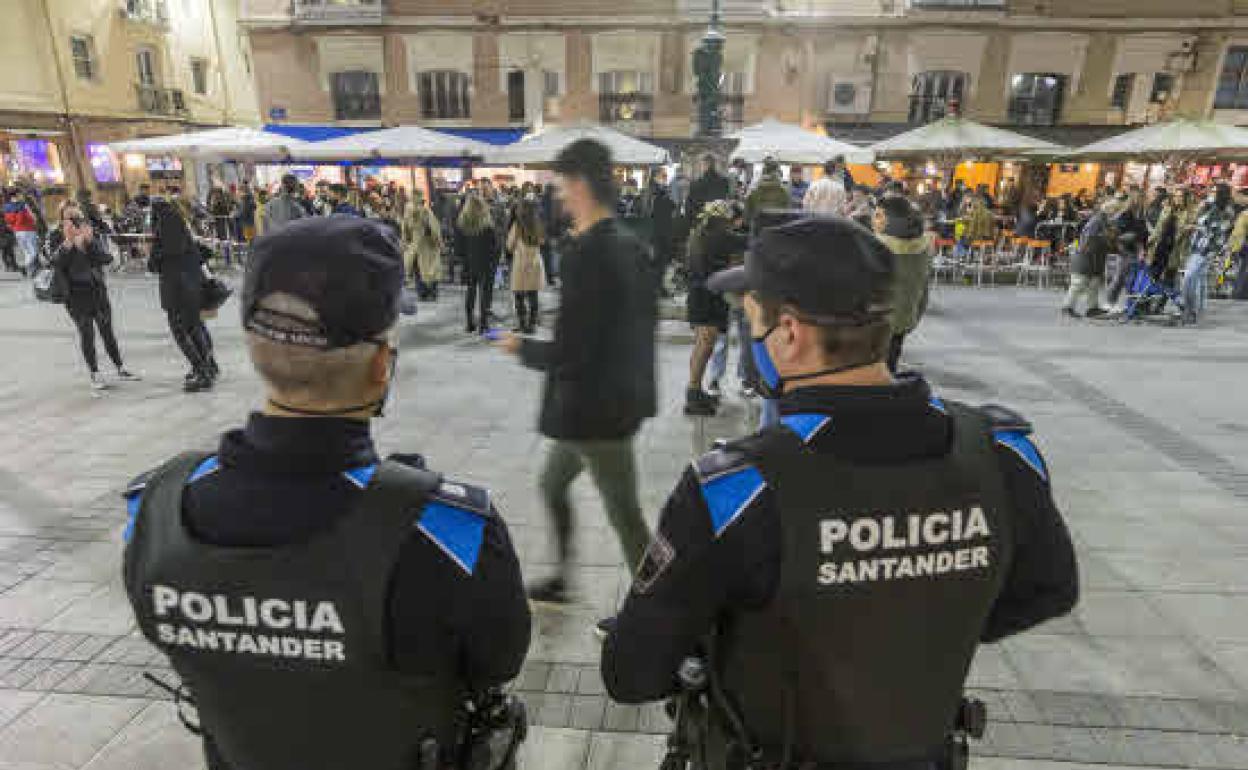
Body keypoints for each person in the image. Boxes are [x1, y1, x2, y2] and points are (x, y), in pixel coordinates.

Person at [601, 216, 1079, 770]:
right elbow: (1050, 588)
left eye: (751, 319)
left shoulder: (737, 490)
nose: (749, 336)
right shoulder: (1000, 452)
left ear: (790, 335)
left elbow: (632, 673)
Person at [122, 216, 530, 770]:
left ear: (253, 346)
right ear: (383, 364)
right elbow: (497, 661)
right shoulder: (449, 532)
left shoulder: (154, 509)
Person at [496, 139, 657, 608]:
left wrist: (520, 346)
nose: (560, 195)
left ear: (581, 184)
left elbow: (572, 349)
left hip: (596, 411)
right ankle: (563, 578)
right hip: (605, 402)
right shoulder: (628, 243)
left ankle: (661, 615)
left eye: (564, 185)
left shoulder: (588, 255)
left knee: (626, 516)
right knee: (551, 485)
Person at [50, 202, 139, 391]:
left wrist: (90, 242)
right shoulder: (56, 236)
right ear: (62, 219)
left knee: (107, 330)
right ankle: (95, 373)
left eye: (78, 217)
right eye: (70, 218)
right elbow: (55, 263)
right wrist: (68, 242)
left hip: (96, 290)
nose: (75, 222)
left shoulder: (88, 232)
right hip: (75, 295)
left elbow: (106, 259)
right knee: (87, 333)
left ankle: (120, 367)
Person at [685, 201, 748, 416]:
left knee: (702, 345)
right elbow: (750, 242)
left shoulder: (700, 233)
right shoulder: (720, 235)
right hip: (707, 297)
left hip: (698, 294)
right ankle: (692, 395)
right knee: (705, 345)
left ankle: (694, 390)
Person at [149, 198, 217, 392]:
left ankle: (201, 370)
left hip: (176, 290)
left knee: (180, 331)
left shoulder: (163, 235)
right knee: (196, 328)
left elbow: (153, 265)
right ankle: (209, 366)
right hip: (195, 286)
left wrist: (154, 251)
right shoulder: (184, 230)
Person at [874, 196, 931, 372]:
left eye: (878, 216)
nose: (873, 220)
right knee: (891, 363)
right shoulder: (923, 245)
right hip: (904, 319)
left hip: (876, 322)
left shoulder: (876, 246)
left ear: (891, 219)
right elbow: (924, 287)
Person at [1181, 182, 1236, 324]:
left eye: (1214, 190)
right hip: (1198, 245)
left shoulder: (1227, 210)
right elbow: (1199, 220)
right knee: (1199, 278)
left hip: (1207, 248)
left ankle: (1190, 309)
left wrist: (1196, 227)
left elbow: (1219, 230)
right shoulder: (1208, 204)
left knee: (1190, 277)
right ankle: (1197, 311)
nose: (1211, 192)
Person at [1062, 199, 1121, 319]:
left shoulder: (1104, 221)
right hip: (1087, 256)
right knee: (1079, 282)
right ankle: (1067, 307)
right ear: (1110, 210)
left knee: (1094, 283)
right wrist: (1107, 240)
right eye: (1116, 211)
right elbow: (1089, 239)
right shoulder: (1097, 220)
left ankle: (1092, 308)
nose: (1117, 214)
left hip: (1095, 257)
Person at [456, 193, 500, 334]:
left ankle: (469, 323)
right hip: (486, 263)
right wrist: (496, 260)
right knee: (485, 293)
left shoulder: (462, 224)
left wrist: (463, 259)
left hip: (469, 263)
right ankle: (483, 324)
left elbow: (458, 247)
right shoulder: (487, 226)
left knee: (470, 291)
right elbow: (495, 246)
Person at [507, 200, 545, 334]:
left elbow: (510, 245)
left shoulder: (517, 226)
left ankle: (522, 323)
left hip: (521, 263)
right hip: (535, 263)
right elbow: (542, 241)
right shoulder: (538, 224)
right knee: (533, 295)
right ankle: (532, 324)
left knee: (519, 295)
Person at [401, 191, 444, 301]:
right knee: (427, 270)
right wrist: (438, 241)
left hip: (420, 245)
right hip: (424, 245)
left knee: (422, 270)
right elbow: (435, 228)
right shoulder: (424, 211)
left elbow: (405, 230)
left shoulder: (412, 211)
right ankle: (429, 293)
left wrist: (406, 242)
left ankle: (425, 293)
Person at [646, 169, 676, 296]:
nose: (665, 178)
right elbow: (664, 207)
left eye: (665, 176)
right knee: (659, 262)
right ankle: (656, 288)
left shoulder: (658, 191)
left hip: (660, 231)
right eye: (663, 176)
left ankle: (657, 287)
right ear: (655, 177)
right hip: (659, 232)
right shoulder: (655, 191)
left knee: (660, 262)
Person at [745, 159, 792, 229]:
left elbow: (747, 214)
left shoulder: (754, 187)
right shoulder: (783, 190)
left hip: (758, 227)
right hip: (777, 229)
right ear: (777, 172)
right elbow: (788, 211)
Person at [4, 188, 41, 276]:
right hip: (28, 230)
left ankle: (30, 272)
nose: (22, 196)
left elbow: (9, 221)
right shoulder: (23, 205)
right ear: (16, 195)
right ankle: (25, 267)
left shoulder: (7, 207)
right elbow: (31, 217)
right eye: (20, 194)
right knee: (33, 252)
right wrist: (34, 219)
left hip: (17, 232)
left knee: (26, 252)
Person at [688, 154, 733, 223]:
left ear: (706, 165)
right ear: (714, 165)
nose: (700, 167)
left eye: (701, 165)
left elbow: (691, 206)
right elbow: (727, 198)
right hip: (719, 218)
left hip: (703, 220)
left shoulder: (696, 183)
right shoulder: (724, 181)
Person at [1227, 192, 1248, 300]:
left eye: (1241, 196)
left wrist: (1234, 247)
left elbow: (1238, 233)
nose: (1238, 199)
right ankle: (1239, 293)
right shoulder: (1242, 212)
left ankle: (1239, 293)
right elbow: (1237, 233)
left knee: (1243, 270)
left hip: (1242, 246)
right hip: (1242, 246)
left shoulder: (1244, 214)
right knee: (1242, 270)